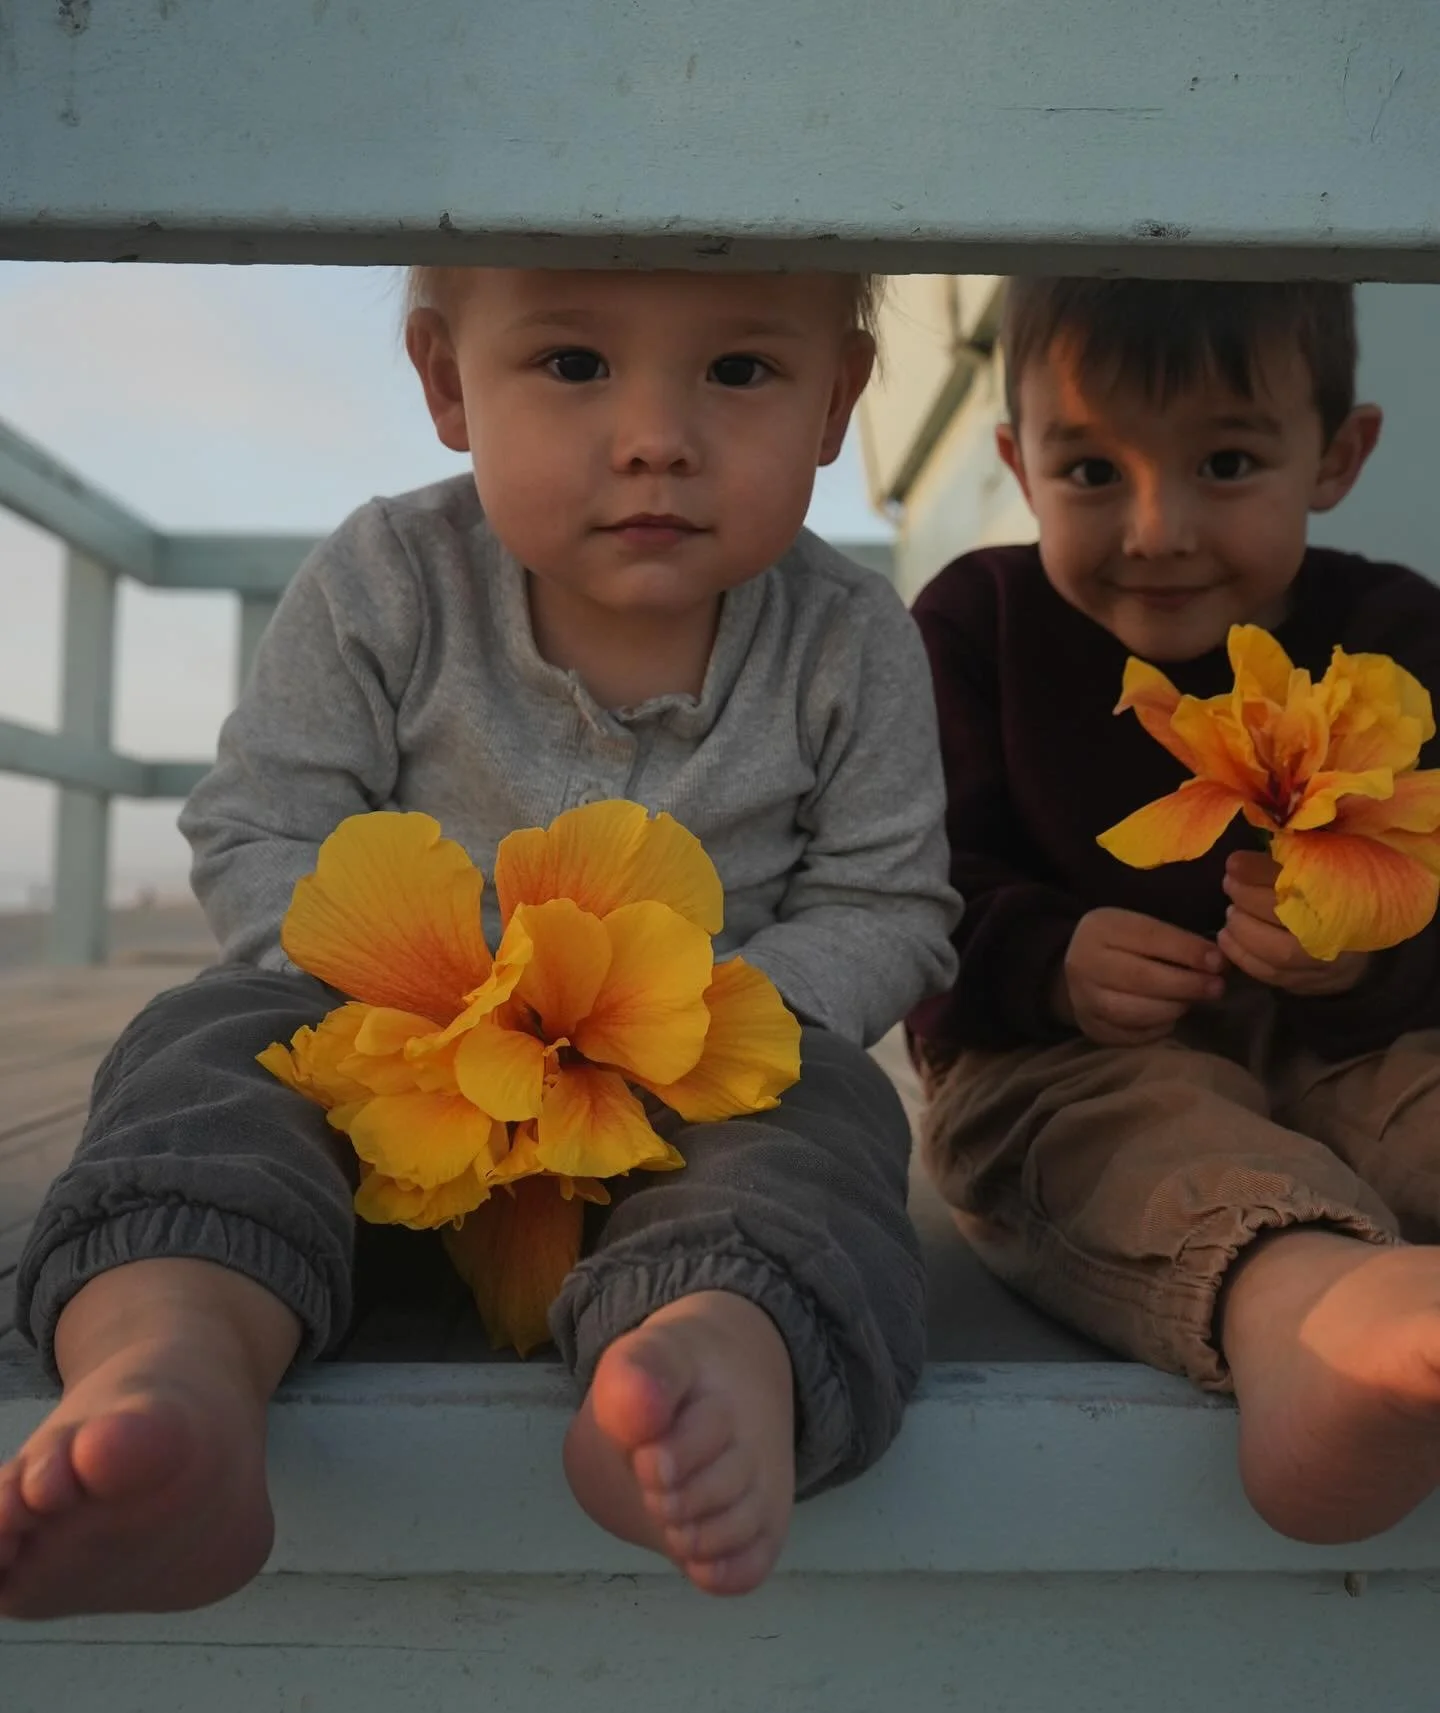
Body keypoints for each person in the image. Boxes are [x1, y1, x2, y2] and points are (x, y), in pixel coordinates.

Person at [0, 267, 960, 1619]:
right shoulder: (390, 576)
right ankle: (178, 1350)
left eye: (739, 372)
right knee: (201, 1043)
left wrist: (712, 1014)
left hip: (681, 1096)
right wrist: (409, 1014)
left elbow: (890, 902)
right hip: (388, 1064)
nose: (655, 436)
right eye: (574, 363)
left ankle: (707, 1342)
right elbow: (262, 823)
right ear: (450, 384)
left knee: (826, 1103)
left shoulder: (850, 635)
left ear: (836, 403)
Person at [910, 273, 1440, 1546]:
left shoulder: (1392, 633)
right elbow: (904, 890)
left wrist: (1363, 953)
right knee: (1143, 1141)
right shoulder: (974, 626)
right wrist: (1048, 956)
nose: (1157, 528)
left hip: (1356, 1045)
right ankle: (1310, 1314)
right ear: (1016, 465)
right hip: (1066, 1061)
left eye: (1226, 459)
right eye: (1091, 469)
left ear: (1338, 453)